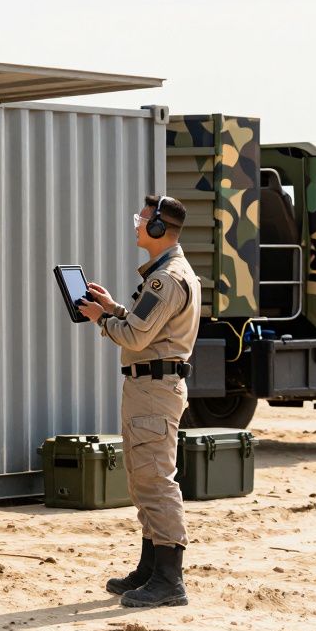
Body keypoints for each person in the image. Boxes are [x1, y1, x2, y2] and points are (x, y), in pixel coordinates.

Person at [75, 194, 200, 608]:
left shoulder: (166, 279)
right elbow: (147, 325)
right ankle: (151, 568)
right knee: (143, 477)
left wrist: (102, 319)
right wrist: (114, 308)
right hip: (150, 387)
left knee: (157, 481)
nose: (136, 224)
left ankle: (169, 579)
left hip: (154, 389)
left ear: (160, 228)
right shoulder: (166, 274)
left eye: (142, 219)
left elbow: (135, 336)